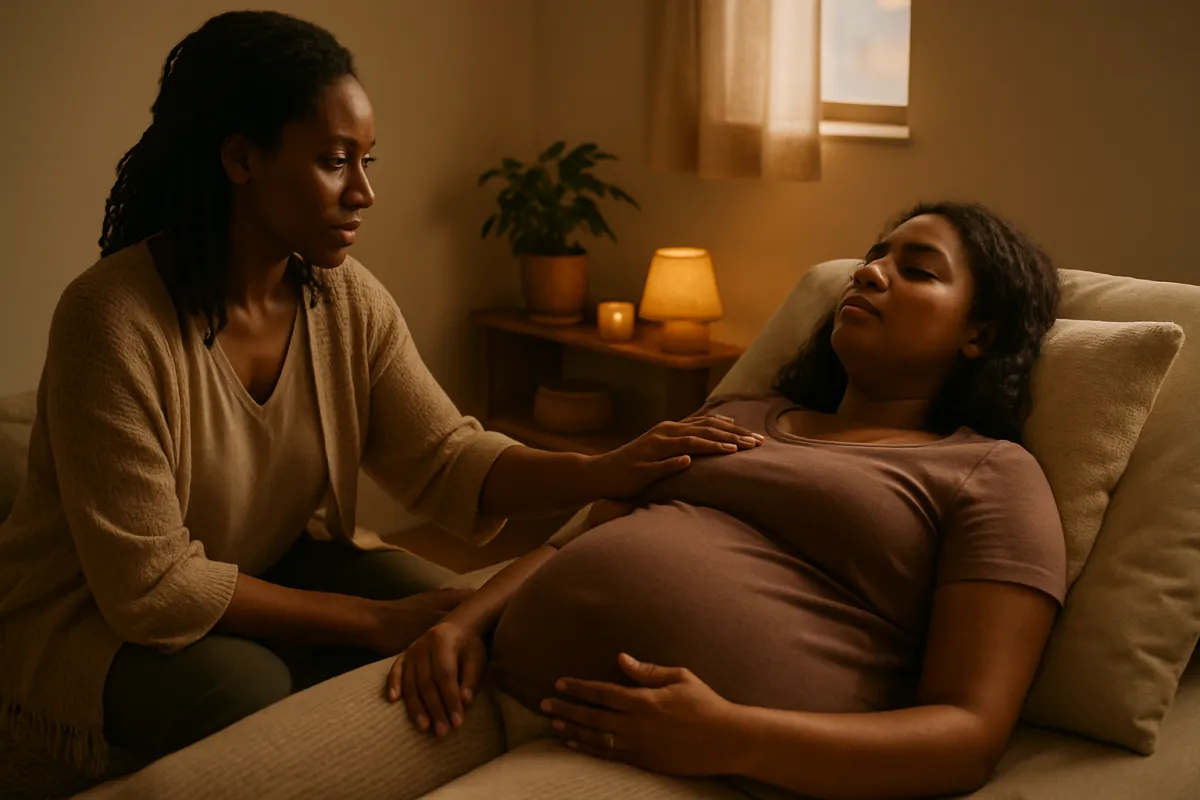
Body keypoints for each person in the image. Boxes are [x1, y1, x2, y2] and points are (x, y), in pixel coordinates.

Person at [0, 10, 762, 778]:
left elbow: (448, 458)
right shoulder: (110, 318)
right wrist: (375, 622)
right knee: (251, 687)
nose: (364, 191)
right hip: (91, 616)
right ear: (240, 158)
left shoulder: (344, 298)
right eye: (336, 162)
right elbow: (152, 590)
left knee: (467, 618)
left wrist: (605, 469)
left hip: (266, 562)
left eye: (368, 160)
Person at [386, 201, 1066, 800]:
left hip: (701, 767)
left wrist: (733, 738)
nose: (869, 272)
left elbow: (968, 736)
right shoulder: (742, 410)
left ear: (980, 333)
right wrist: (462, 624)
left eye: (917, 270)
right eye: (873, 257)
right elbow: (575, 543)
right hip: (490, 681)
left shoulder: (991, 474)